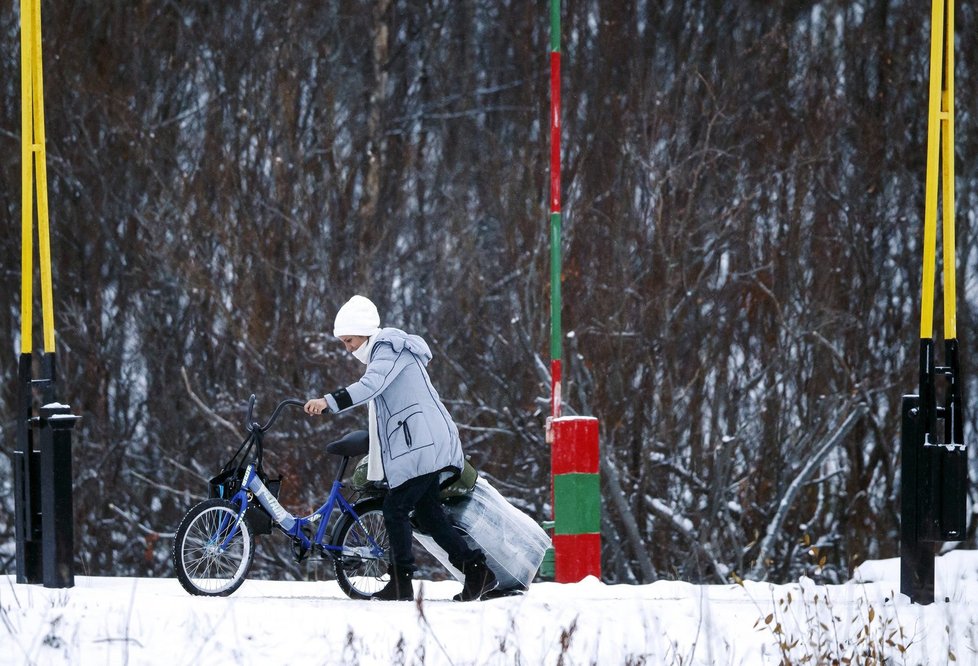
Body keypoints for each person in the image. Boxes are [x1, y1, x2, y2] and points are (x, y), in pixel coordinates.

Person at [304, 295, 497, 601]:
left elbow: (370, 386)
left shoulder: (387, 349)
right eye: (344, 342)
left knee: (394, 509)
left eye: (349, 340)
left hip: (423, 445)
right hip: (422, 443)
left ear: (364, 332)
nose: (348, 349)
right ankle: (477, 572)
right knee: (431, 516)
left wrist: (328, 401)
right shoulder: (387, 352)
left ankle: (400, 582)